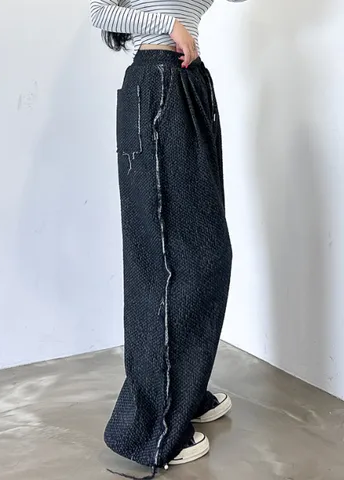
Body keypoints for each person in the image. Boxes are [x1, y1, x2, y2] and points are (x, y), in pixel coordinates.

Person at [90, 0, 247, 477]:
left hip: (185, 83)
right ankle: (151, 427)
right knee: (174, 261)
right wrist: (168, 24)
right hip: (159, 82)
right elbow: (100, 12)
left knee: (199, 253)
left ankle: (181, 390)